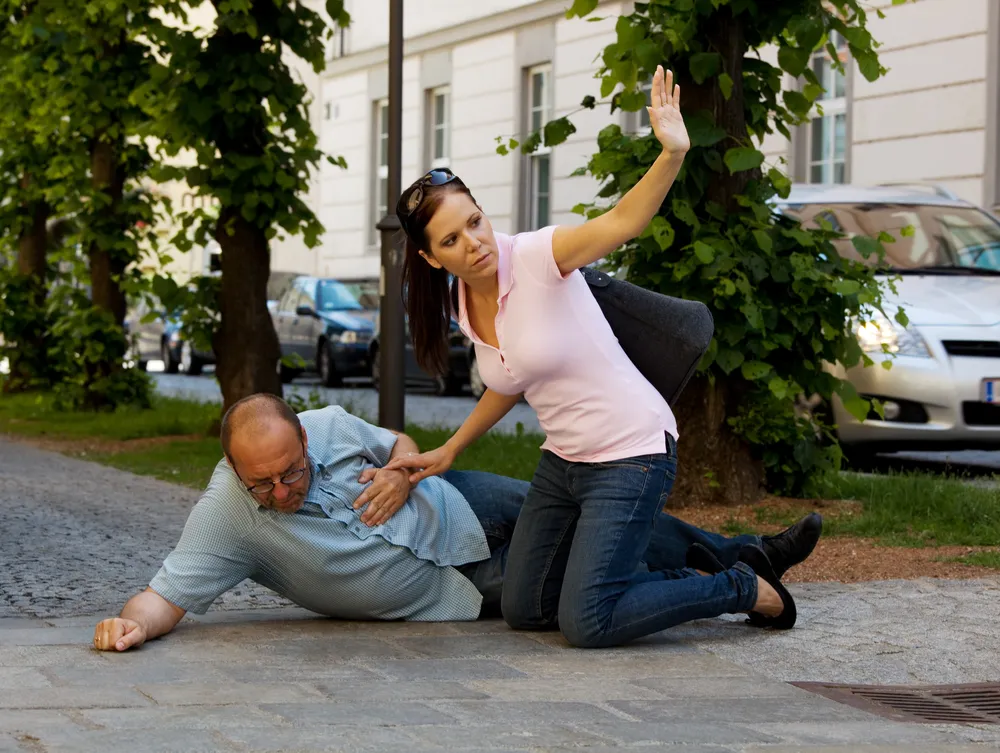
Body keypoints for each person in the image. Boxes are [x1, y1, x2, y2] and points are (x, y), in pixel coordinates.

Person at [381, 65, 805, 649]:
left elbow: (624, 220)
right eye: (451, 240)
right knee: (527, 608)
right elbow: (510, 378)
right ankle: (662, 582)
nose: (473, 243)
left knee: (588, 622)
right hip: (564, 463)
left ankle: (740, 585)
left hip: (631, 451)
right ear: (431, 258)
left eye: (474, 222)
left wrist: (672, 153)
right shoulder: (459, 299)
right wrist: (452, 447)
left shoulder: (538, 256)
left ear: (484, 213)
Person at [93, 394, 821, 652]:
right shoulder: (228, 514)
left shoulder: (324, 425)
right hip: (460, 582)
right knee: (585, 576)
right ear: (234, 471)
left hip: (461, 500)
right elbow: (163, 595)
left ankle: (749, 552)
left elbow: (402, 444)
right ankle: (731, 580)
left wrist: (402, 468)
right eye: (266, 483)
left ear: (303, 441)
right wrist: (129, 624)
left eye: (293, 470)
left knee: (605, 515)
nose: (283, 488)